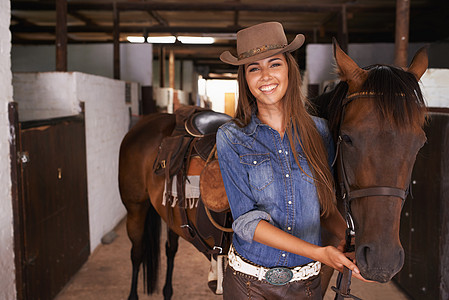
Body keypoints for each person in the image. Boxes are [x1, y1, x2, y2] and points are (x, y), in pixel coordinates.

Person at [216, 22, 366, 299]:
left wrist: (353, 241)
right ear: (245, 80)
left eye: (274, 64)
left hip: (307, 284)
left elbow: (325, 206)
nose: (265, 76)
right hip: (250, 285)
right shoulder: (231, 137)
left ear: (289, 69)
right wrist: (319, 253)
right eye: (253, 68)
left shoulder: (320, 132)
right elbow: (247, 222)